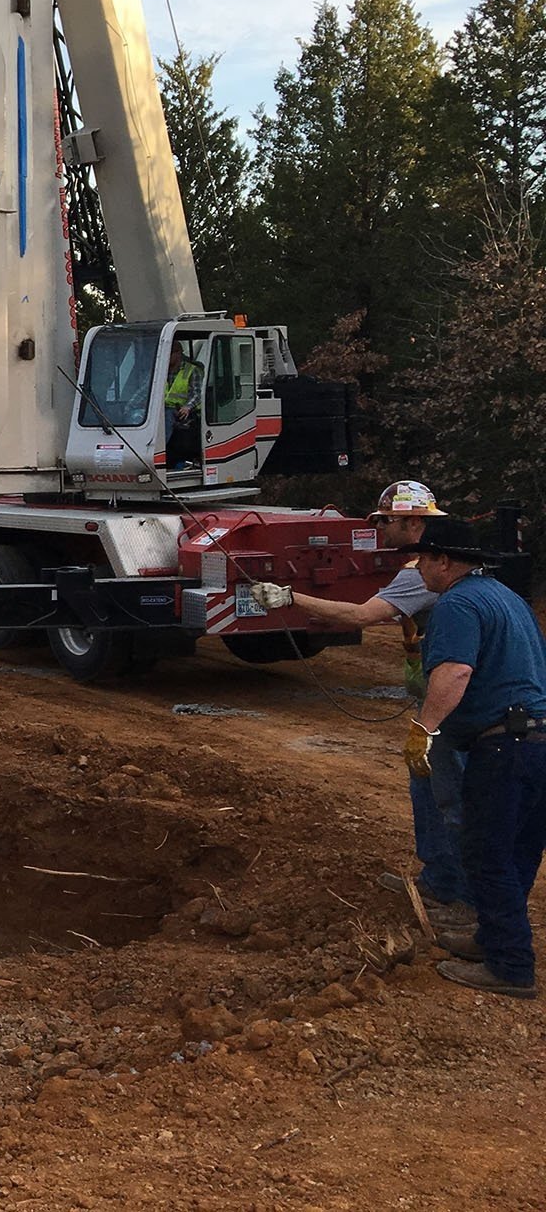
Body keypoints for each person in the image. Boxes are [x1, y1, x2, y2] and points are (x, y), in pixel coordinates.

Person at [249, 481, 472, 928]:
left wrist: (289, 597)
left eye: (385, 521)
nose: (379, 528)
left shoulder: (422, 571)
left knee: (446, 794)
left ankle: (456, 895)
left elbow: (361, 616)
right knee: (429, 787)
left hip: (450, 707)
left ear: (413, 522)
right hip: (448, 698)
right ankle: (440, 881)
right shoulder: (448, 562)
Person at [407, 515, 546, 998]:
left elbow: (456, 672)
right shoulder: (509, 599)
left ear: (444, 561)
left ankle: (510, 966)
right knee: (517, 851)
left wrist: (422, 730)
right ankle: (494, 938)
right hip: (538, 740)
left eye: (423, 559)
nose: (419, 568)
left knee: (486, 853)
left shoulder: (457, 603)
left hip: (503, 744)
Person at [163, 342, 204, 463]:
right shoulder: (161, 370)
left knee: (167, 417)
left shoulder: (192, 371)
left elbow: (197, 393)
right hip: (162, 410)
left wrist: (188, 407)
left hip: (184, 413)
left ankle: (158, 450)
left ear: (178, 354)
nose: (166, 356)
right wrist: (130, 406)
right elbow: (145, 390)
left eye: (169, 353)